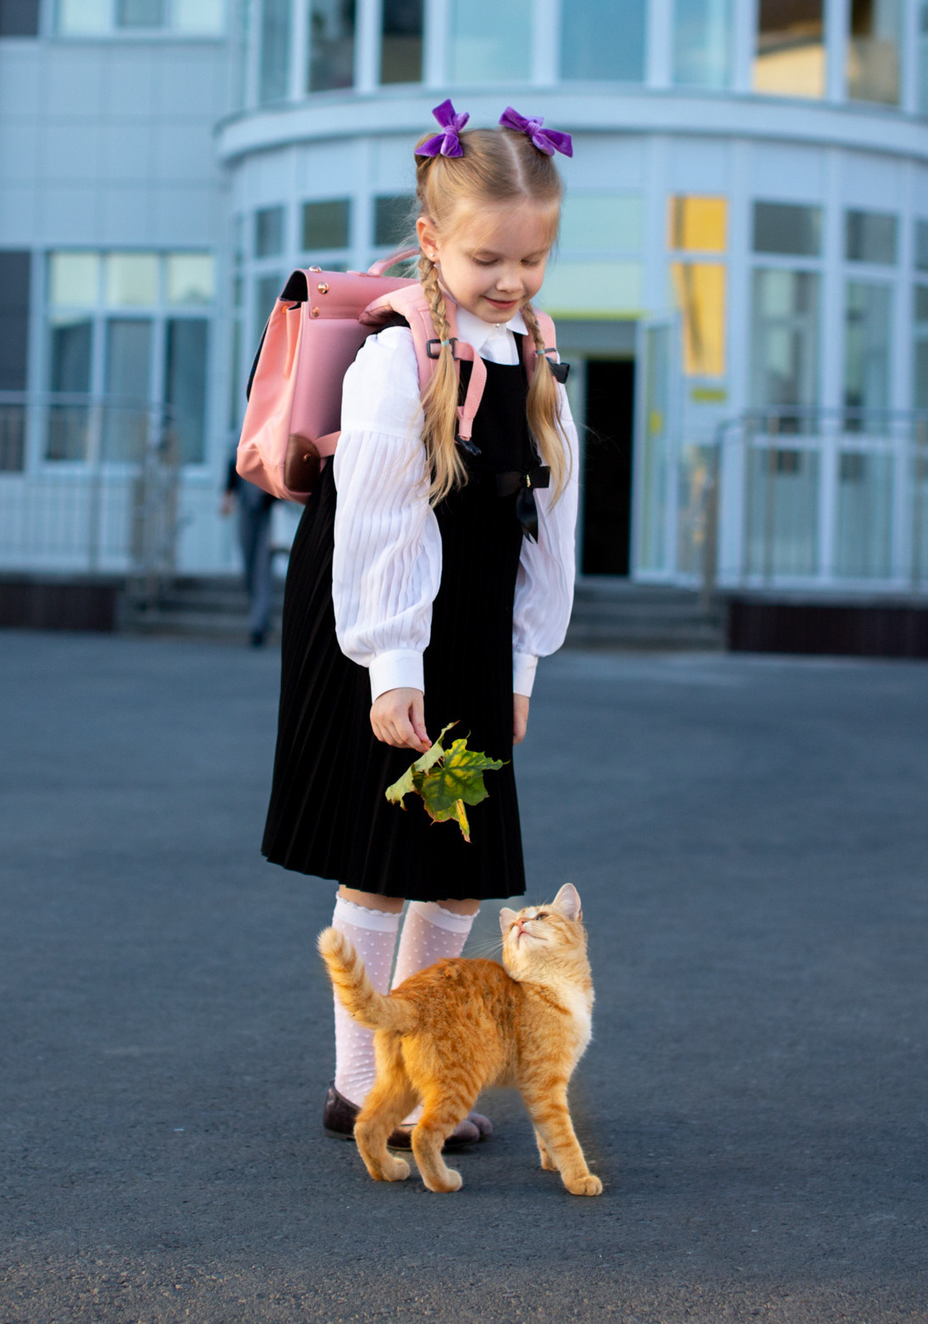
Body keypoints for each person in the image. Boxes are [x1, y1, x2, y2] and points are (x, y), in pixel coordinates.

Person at [258, 102, 580, 1152]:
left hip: (478, 620)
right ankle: (363, 1086)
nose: (512, 280)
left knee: (460, 859)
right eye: (489, 257)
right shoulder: (394, 357)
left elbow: (550, 519)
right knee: (383, 851)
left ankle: (422, 1062)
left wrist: (525, 656)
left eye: (532, 259)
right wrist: (392, 664)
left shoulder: (536, 358)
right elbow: (381, 520)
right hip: (378, 614)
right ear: (432, 239)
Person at [220, 461, 277, 647]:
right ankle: (260, 615)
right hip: (246, 507)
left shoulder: (275, 436)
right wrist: (227, 496)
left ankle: (258, 624)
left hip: (268, 511)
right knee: (249, 567)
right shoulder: (241, 441)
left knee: (262, 568)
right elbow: (233, 463)